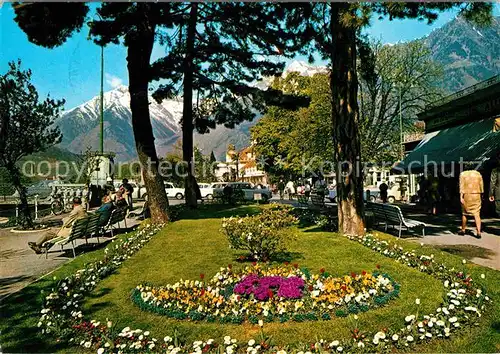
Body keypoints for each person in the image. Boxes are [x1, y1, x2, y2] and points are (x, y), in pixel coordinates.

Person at [459, 169, 484, 238]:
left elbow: (462, 186)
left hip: (467, 195)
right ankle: (478, 231)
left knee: (464, 213)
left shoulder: (463, 174)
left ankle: (463, 229)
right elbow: (481, 185)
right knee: (477, 214)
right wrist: (481, 195)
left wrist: (461, 197)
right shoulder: (478, 174)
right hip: (477, 194)